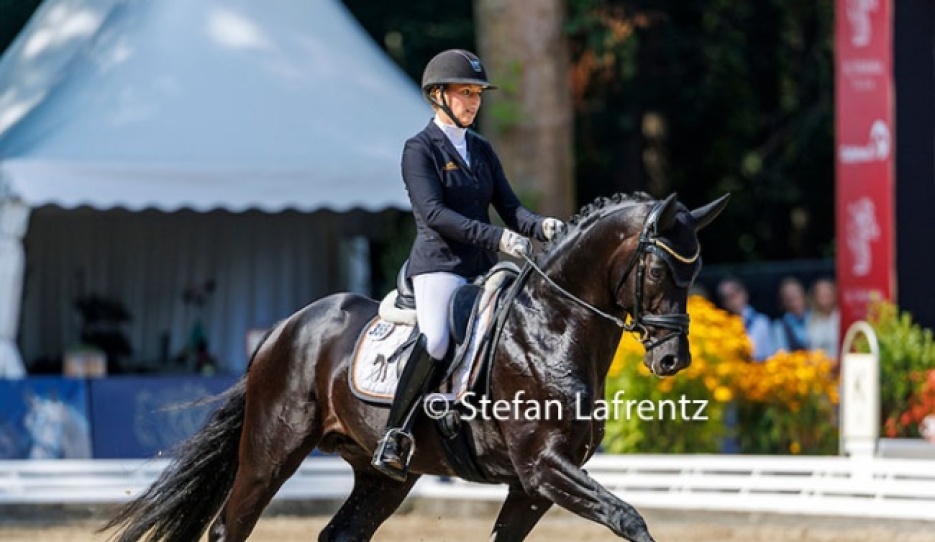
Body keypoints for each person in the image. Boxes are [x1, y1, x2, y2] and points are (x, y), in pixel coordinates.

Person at [371, 49, 565, 480]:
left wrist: (543, 227)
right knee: (438, 339)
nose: (473, 101)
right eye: (464, 92)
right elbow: (435, 214)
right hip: (440, 266)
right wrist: (497, 237)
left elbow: (512, 209)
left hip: (483, 269)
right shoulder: (418, 150)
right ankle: (396, 433)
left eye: (477, 93)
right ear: (437, 95)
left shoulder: (481, 149)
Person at [717, 276, 776, 362]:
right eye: (726, 298)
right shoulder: (722, 325)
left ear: (744, 293)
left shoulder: (761, 321)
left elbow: (760, 352)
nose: (731, 301)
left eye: (733, 295)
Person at [772, 276, 810, 352]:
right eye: (790, 299)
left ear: (804, 296)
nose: (795, 303)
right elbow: (781, 353)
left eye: (797, 297)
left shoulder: (816, 318)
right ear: (783, 303)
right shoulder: (779, 327)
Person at [807, 277, 840, 362]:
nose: (825, 298)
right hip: (819, 368)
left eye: (827, 294)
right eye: (821, 295)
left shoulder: (840, 317)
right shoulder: (811, 319)